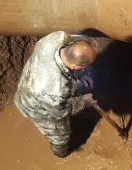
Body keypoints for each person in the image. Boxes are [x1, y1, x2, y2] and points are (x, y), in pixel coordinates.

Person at [14, 31, 98, 159]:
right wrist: (83, 102)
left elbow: (70, 58)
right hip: (35, 106)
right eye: (83, 67)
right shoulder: (55, 89)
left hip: (30, 82)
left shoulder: (58, 37)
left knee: (66, 95)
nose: (84, 69)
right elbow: (59, 111)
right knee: (60, 134)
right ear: (75, 66)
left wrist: (79, 74)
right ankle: (61, 154)